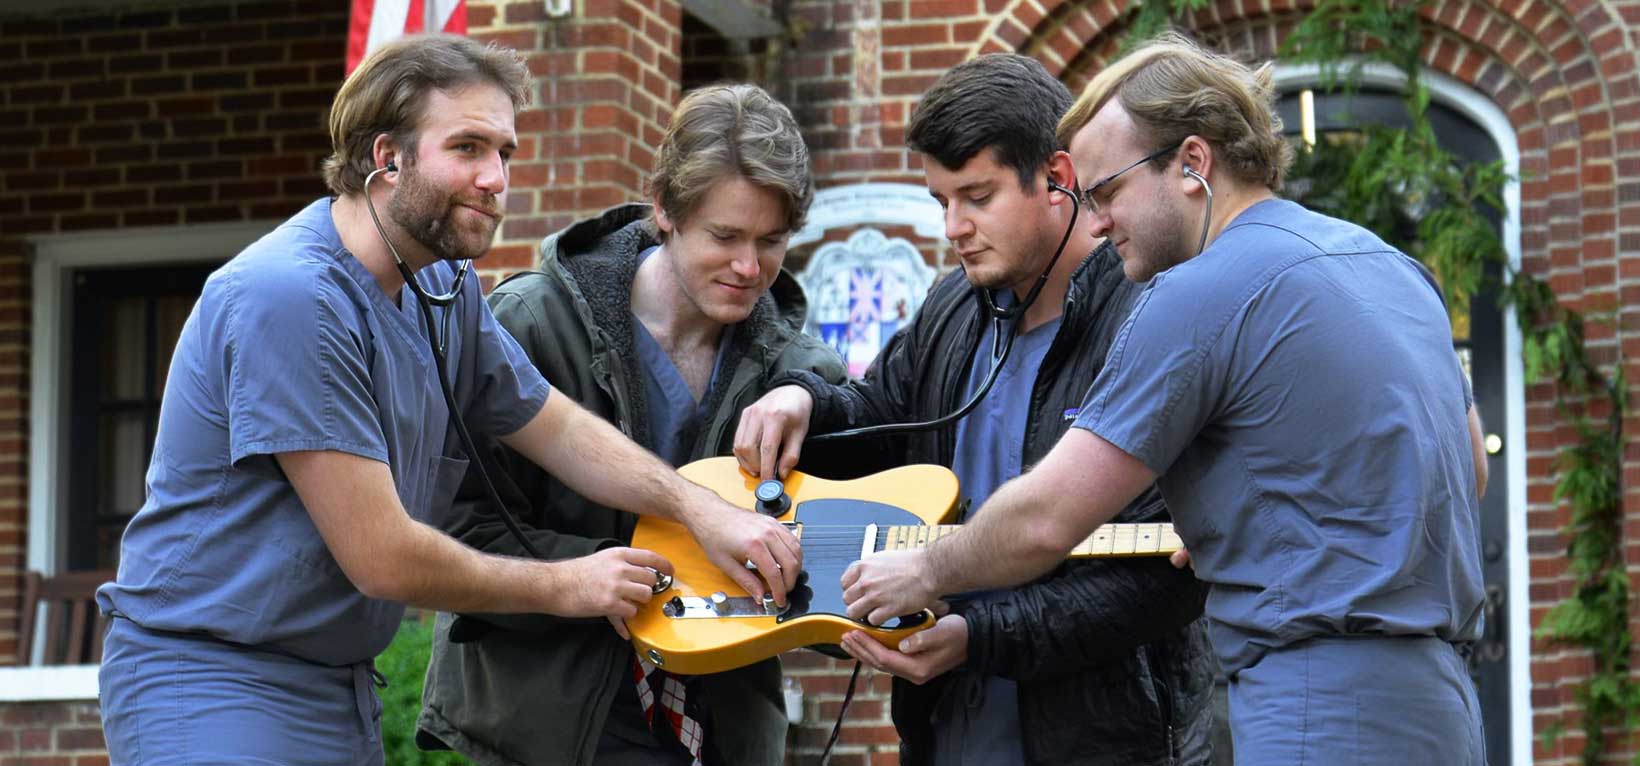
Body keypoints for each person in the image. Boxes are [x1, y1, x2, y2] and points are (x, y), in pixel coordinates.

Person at [94, 36, 801, 766]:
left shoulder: (442, 285)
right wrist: (569, 584)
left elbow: (555, 428)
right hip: (212, 678)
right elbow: (383, 558)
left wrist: (697, 509)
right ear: (386, 158)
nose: (495, 178)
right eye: (467, 147)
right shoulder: (292, 298)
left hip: (337, 684)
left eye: (505, 152)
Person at [835, 33, 1491, 765]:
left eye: (1108, 190)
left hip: (1316, 699)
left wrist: (923, 571)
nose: (1097, 218)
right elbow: (1468, 470)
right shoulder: (1394, 268)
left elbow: (1048, 518)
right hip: (1443, 699)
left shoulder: (1193, 291)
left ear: (1191, 163)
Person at [734, 54, 1217, 766]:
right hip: (947, 731)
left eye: (977, 197)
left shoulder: (1148, 314)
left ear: (1059, 177)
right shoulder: (953, 302)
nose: (952, 227)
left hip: (1110, 738)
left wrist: (978, 634)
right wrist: (802, 399)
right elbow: (883, 416)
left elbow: (1162, 580)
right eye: (940, 202)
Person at [415, 83, 845, 766]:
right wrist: (582, 577)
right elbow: (447, 528)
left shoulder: (805, 373)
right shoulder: (527, 325)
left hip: (722, 731)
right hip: (549, 727)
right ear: (664, 210)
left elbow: (839, 568)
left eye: (772, 241)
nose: (748, 267)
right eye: (725, 236)